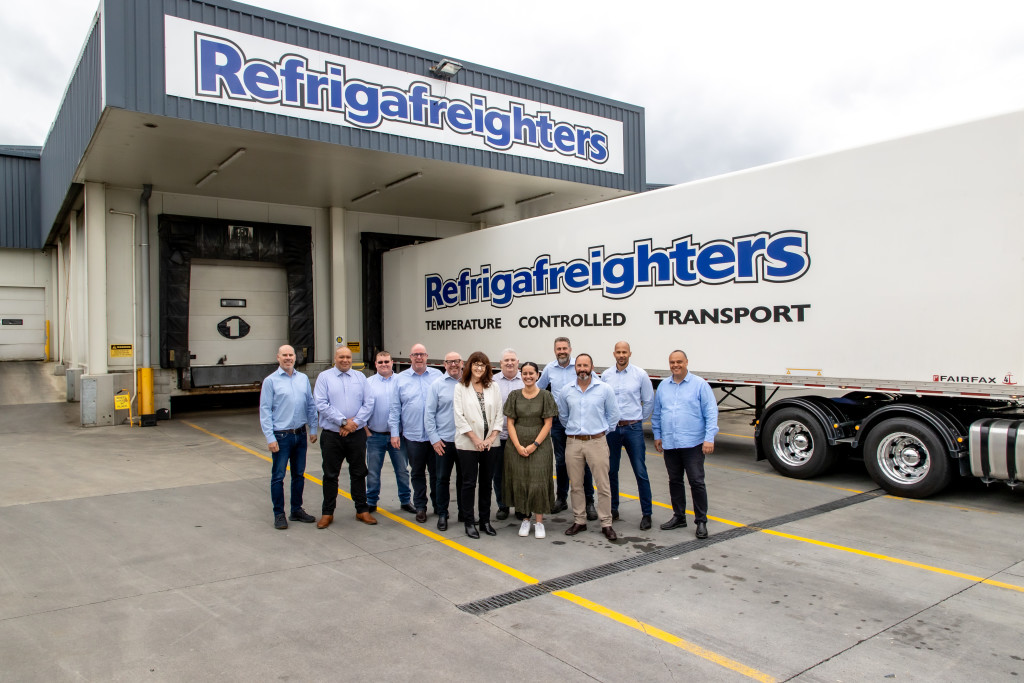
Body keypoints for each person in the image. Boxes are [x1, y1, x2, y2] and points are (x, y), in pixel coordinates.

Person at [651, 349, 718, 540]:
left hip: (693, 443)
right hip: (670, 443)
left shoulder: (699, 385)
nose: (675, 365)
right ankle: (679, 516)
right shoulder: (663, 386)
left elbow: (711, 412)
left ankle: (701, 521)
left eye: (679, 362)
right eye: (672, 362)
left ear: (686, 362)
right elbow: (657, 413)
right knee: (675, 481)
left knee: (696, 481)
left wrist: (709, 438)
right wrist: (657, 435)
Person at [555, 353, 620, 541]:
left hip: (597, 441)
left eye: (585, 365)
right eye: (579, 365)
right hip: (573, 442)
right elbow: (563, 416)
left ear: (592, 367)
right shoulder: (566, 390)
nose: (582, 369)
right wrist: (575, 431)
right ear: (575, 367)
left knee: (603, 485)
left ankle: (606, 523)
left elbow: (613, 415)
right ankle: (579, 520)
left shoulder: (604, 389)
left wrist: (601, 433)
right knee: (576, 485)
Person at [313, 345, 376, 529]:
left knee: (359, 472)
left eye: (348, 357)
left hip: (356, 435)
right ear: (335, 358)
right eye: (341, 357)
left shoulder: (360, 377)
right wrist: (342, 422)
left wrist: (354, 423)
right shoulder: (324, 377)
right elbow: (321, 403)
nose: (345, 360)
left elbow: (369, 402)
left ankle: (361, 510)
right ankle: (327, 513)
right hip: (332, 436)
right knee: (330, 474)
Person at [259, 344, 318, 530]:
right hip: (281, 436)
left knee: (299, 475)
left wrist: (313, 428)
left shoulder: (303, 379)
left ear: (295, 357)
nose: (288, 358)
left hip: (300, 434)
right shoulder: (270, 381)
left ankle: (296, 510)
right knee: (278, 476)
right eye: (284, 355)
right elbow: (265, 410)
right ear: (278, 357)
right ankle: (279, 514)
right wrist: (270, 437)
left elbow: (310, 404)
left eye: (290, 355)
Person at [537, 336, 595, 519]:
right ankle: (561, 498)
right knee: (561, 461)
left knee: (583, 461)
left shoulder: (579, 366)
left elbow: (596, 386)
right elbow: (538, 389)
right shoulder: (549, 368)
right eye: (558, 349)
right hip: (557, 423)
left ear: (570, 349)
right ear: (555, 351)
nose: (561, 352)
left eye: (564, 348)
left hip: (578, 422)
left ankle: (589, 501)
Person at [601, 341, 655, 530]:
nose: (621, 355)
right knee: (611, 471)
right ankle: (613, 509)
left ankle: (647, 513)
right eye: (618, 352)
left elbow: (648, 401)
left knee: (640, 471)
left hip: (633, 429)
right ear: (614, 354)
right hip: (613, 430)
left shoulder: (640, 374)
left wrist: (638, 420)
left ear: (630, 353)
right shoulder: (606, 375)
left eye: (624, 352)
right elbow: (602, 401)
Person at [502, 361, 557, 539]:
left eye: (531, 373)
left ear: (537, 375)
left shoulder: (546, 396)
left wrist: (534, 445)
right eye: (524, 373)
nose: (528, 376)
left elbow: (548, 423)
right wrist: (518, 446)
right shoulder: (514, 395)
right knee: (521, 481)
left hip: (540, 446)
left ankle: (539, 522)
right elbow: (510, 423)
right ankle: (525, 519)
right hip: (516, 446)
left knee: (538, 482)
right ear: (521, 375)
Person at [389, 343, 443, 523]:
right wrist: (394, 433)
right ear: (410, 357)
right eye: (415, 354)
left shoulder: (437, 375)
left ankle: (439, 505)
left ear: (427, 356)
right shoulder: (400, 379)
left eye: (422, 354)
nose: (419, 357)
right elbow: (395, 408)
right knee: (417, 473)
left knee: (436, 473)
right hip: (412, 437)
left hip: (435, 437)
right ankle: (420, 507)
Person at [453, 351, 504, 539]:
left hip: (490, 443)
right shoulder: (460, 387)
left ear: (487, 368)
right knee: (468, 483)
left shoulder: (494, 387)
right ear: (469, 366)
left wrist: (490, 438)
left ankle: (485, 521)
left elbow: (499, 414)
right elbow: (459, 416)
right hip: (468, 443)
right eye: (476, 364)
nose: (479, 368)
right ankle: (469, 522)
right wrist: (476, 440)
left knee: (486, 483)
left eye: (483, 365)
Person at [364, 351, 415, 515]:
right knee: (373, 472)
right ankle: (371, 502)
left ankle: (405, 501)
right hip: (375, 436)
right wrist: (366, 431)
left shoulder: (402, 381)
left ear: (392, 362)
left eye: (386, 361)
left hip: (397, 437)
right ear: (375, 364)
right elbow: (362, 408)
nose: (384, 364)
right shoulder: (368, 383)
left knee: (402, 470)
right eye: (380, 362)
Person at [425, 351, 466, 531]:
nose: (453, 365)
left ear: (462, 363)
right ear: (444, 364)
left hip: (465, 441)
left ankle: (464, 512)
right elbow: (429, 414)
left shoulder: (469, 383)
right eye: (449, 362)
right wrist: (434, 439)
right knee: (442, 479)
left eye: (456, 361)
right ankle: (442, 513)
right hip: (444, 442)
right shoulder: (437, 385)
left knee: (464, 480)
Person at [493, 348, 524, 520]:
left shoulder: (526, 380)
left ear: (518, 362)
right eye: (506, 360)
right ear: (501, 363)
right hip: (498, 436)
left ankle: (520, 506)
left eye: (513, 360)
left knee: (519, 474)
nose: (510, 363)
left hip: (520, 437)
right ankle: (503, 505)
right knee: (499, 474)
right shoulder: (492, 381)